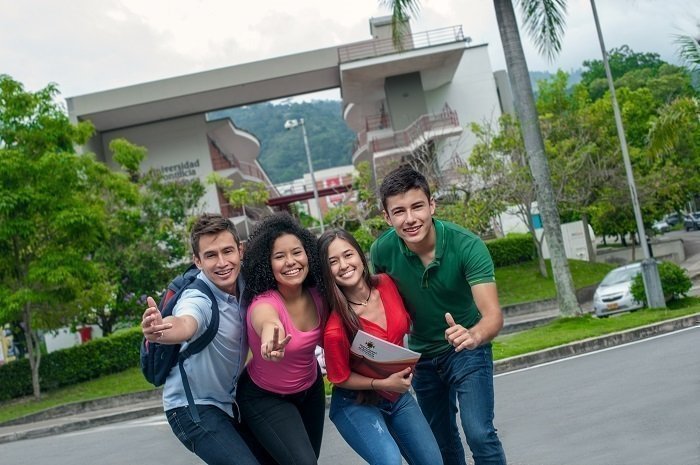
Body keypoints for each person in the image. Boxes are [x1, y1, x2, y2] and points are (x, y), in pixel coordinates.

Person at [369, 166, 507, 465]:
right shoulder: (381, 251)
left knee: (479, 434)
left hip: (467, 349)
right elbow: (380, 311)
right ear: (387, 217)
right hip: (422, 357)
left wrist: (473, 335)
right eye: (399, 211)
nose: (410, 219)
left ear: (432, 205)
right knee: (441, 443)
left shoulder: (467, 245)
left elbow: (493, 316)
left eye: (418, 206)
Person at [140, 213, 273, 465]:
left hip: (228, 405)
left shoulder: (246, 283)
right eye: (211, 255)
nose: (222, 262)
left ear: (240, 250)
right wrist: (160, 329)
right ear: (197, 261)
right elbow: (186, 323)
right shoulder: (197, 297)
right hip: (191, 409)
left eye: (227, 251)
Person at [319, 228, 443, 465]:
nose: (343, 265)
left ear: (360, 256)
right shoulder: (336, 328)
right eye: (333, 262)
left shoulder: (387, 284)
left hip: (396, 396)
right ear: (327, 272)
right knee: (389, 461)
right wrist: (381, 383)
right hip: (355, 403)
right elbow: (339, 377)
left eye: (348, 255)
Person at [236, 212, 328, 465]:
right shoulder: (265, 303)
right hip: (265, 397)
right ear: (267, 264)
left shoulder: (318, 296)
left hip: (310, 390)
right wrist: (270, 340)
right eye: (279, 256)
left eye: (297, 252)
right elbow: (267, 322)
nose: (291, 262)